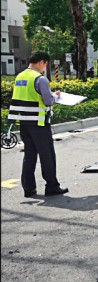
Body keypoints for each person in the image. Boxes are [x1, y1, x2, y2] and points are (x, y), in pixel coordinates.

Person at [8, 51, 69, 198]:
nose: (45, 68)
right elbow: (48, 101)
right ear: (42, 62)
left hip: (23, 123)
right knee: (47, 155)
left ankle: (29, 189)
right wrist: (56, 96)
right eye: (45, 65)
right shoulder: (40, 79)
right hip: (39, 124)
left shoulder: (20, 76)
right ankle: (52, 187)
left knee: (29, 155)